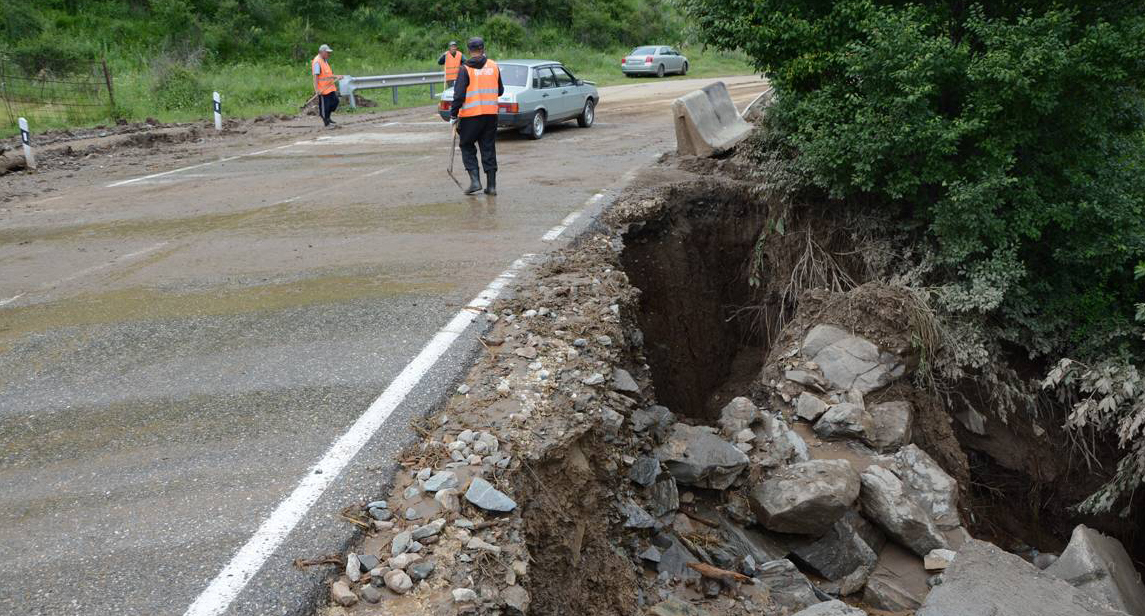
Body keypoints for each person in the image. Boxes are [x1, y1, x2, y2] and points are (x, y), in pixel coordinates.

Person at [449, 37, 503, 195]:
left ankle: (475, 181)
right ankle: (491, 186)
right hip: (491, 115)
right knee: (488, 148)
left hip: (470, 116)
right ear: (483, 48)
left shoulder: (465, 68)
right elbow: (500, 91)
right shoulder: (493, 66)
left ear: (468, 50)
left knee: (466, 145)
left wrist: (453, 115)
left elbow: (459, 95)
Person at [311, 44, 343, 127]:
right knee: (325, 106)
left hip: (330, 87)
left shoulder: (325, 61)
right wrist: (316, 89)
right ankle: (326, 121)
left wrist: (336, 76)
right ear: (322, 52)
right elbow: (315, 77)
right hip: (323, 89)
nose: (329, 54)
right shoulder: (317, 62)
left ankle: (328, 118)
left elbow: (328, 75)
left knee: (335, 101)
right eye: (327, 52)